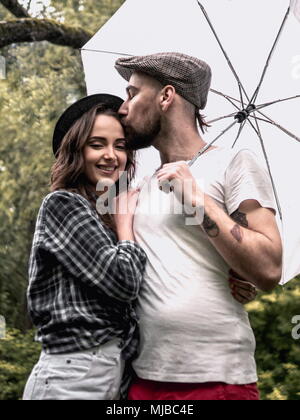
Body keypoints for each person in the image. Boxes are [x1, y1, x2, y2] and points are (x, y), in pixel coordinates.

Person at [115, 52, 283, 401]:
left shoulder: (234, 163)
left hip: (217, 378)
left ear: (166, 96)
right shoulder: (137, 189)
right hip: (142, 378)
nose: (122, 107)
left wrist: (198, 200)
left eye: (132, 94)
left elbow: (268, 268)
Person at [23, 94, 147, 400]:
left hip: (109, 374)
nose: (111, 155)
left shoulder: (106, 215)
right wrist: (126, 225)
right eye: (97, 144)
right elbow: (123, 281)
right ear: (77, 150)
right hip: (71, 375)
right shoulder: (63, 205)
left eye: (120, 145)